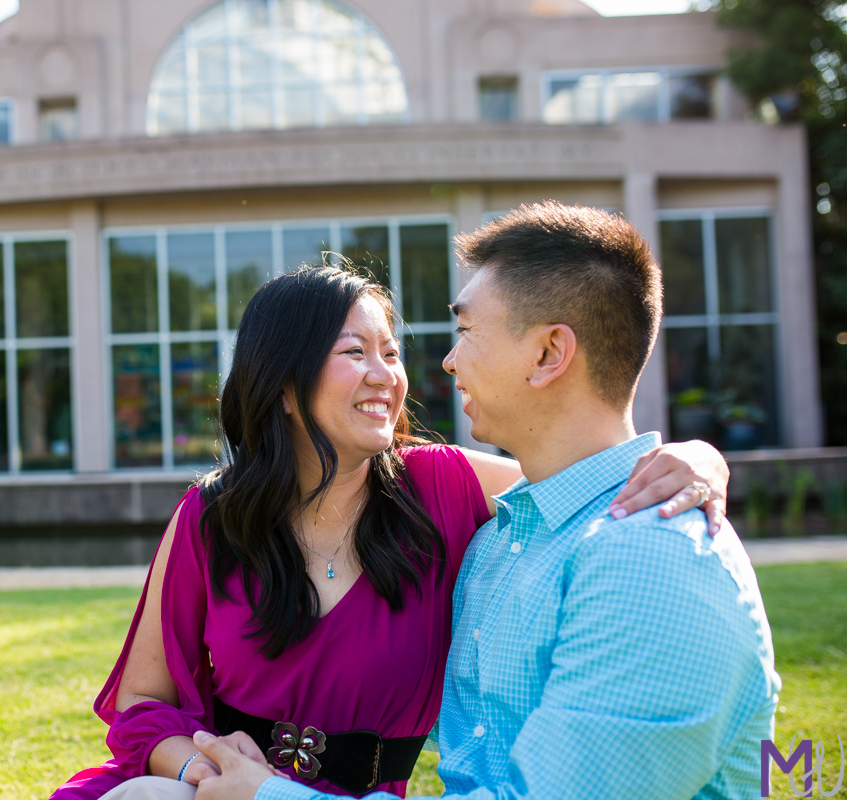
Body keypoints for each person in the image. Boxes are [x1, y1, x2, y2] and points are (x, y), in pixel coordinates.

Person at [51, 259, 729, 800]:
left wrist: (701, 458)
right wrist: (201, 770)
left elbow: (582, 482)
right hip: (213, 790)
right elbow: (142, 700)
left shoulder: (443, 485)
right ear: (284, 385)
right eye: (356, 352)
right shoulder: (211, 516)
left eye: (392, 351)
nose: (388, 376)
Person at [192, 203, 779, 800]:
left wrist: (267, 796)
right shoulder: (500, 541)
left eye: (467, 332)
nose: (447, 361)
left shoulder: (650, 558)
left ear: (549, 354)